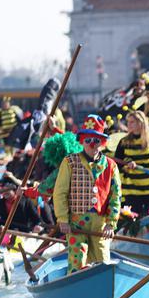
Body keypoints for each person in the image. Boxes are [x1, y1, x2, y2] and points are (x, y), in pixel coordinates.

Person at [53, 115, 122, 272]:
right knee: (77, 262)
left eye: (96, 141)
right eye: (88, 140)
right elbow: (60, 192)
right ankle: (74, 288)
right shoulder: (69, 162)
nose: (92, 144)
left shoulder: (111, 166)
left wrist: (111, 223)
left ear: (102, 143)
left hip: (100, 224)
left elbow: (115, 196)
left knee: (104, 262)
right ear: (82, 141)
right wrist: (62, 219)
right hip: (75, 223)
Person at [114, 111, 149, 217]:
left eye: (132, 122)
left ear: (141, 123)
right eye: (128, 122)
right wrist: (127, 163)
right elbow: (117, 163)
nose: (128, 125)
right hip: (131, 187)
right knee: (135, 217)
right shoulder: (124, 142)